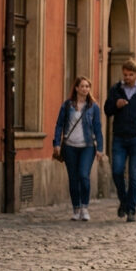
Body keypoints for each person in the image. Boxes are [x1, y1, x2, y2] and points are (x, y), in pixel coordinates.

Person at [104, 60, 136, 222]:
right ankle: (124, 201)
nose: (127, 78)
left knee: (134, 175)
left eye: (130, 75)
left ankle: (131, 209)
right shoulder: (116, 89)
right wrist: (116, 104)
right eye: (125, 75)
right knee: (117, 171)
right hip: (119, 137)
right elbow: (107, 109)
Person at [53, 77, 105, 222]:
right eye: (82, 86)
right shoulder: (67, 105)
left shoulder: (93, 107)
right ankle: (76, 208)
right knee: (73, 179)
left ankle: (84, 207)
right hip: (70, 146)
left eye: (87, 86)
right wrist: (57, 143)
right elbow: (59, 125)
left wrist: (100, 148)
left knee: (83, 175)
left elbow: (97, 128)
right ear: (76, 88)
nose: (85, 89)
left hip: (87, 146)